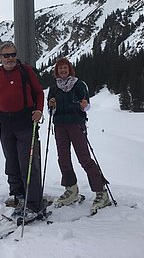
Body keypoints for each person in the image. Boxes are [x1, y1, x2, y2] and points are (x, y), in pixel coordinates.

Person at [48, 57, 111, 215]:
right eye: (60, 68)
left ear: (69, 69)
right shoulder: (54, 87)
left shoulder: (79, 84)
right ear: (57, 71)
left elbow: (86, 105)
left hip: (76, 124)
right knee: (63, 158)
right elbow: (50, 109)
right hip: (60, 125)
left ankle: (101, 192)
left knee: (84, 158)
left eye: (65, 68)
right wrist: (52, 106)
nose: (63, 70)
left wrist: (85, 106)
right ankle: (71, 189)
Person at [0, 41, 44, 221]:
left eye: (13, 54)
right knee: (11, 162)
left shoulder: (25, 71)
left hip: (25, 120)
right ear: (0, 57)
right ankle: (19, 197)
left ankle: (34, 204)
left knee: (27, 163)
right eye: (7, 55)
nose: (11, 58)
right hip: (5, 121)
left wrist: (39, 110)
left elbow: (39, 92)